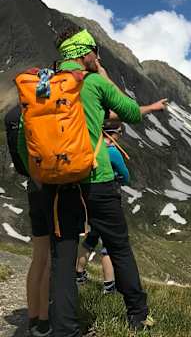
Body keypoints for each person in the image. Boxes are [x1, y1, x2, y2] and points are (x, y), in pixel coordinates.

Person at [17, 26, 167, 336]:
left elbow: (24, 140)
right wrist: (102, 72)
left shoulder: (43, 87)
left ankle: (64, 330)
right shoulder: (95, 82)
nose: (97, 57)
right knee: (119, 247)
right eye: (95, 53)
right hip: (97, 179)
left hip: (59, 186)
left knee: (62, 258)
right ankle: (138, 317)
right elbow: (130, 113)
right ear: (86, 54)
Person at [4, 106, 52, 336]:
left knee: (38, 256)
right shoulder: (46, 110)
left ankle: (33, 318)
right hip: (54, 187)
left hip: (33, 187)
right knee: (53, 257)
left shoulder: (14, 116)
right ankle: (45, 321)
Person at [76, 119, 129, 295]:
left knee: (91, 238)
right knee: (108, 243)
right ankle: (109, 286)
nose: (120, 137)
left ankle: (79, 274)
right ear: (113, 133)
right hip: (107, 199)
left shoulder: (91, 146)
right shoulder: (112, 152)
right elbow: (126, 176)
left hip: (89, 197)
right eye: (119, 133)